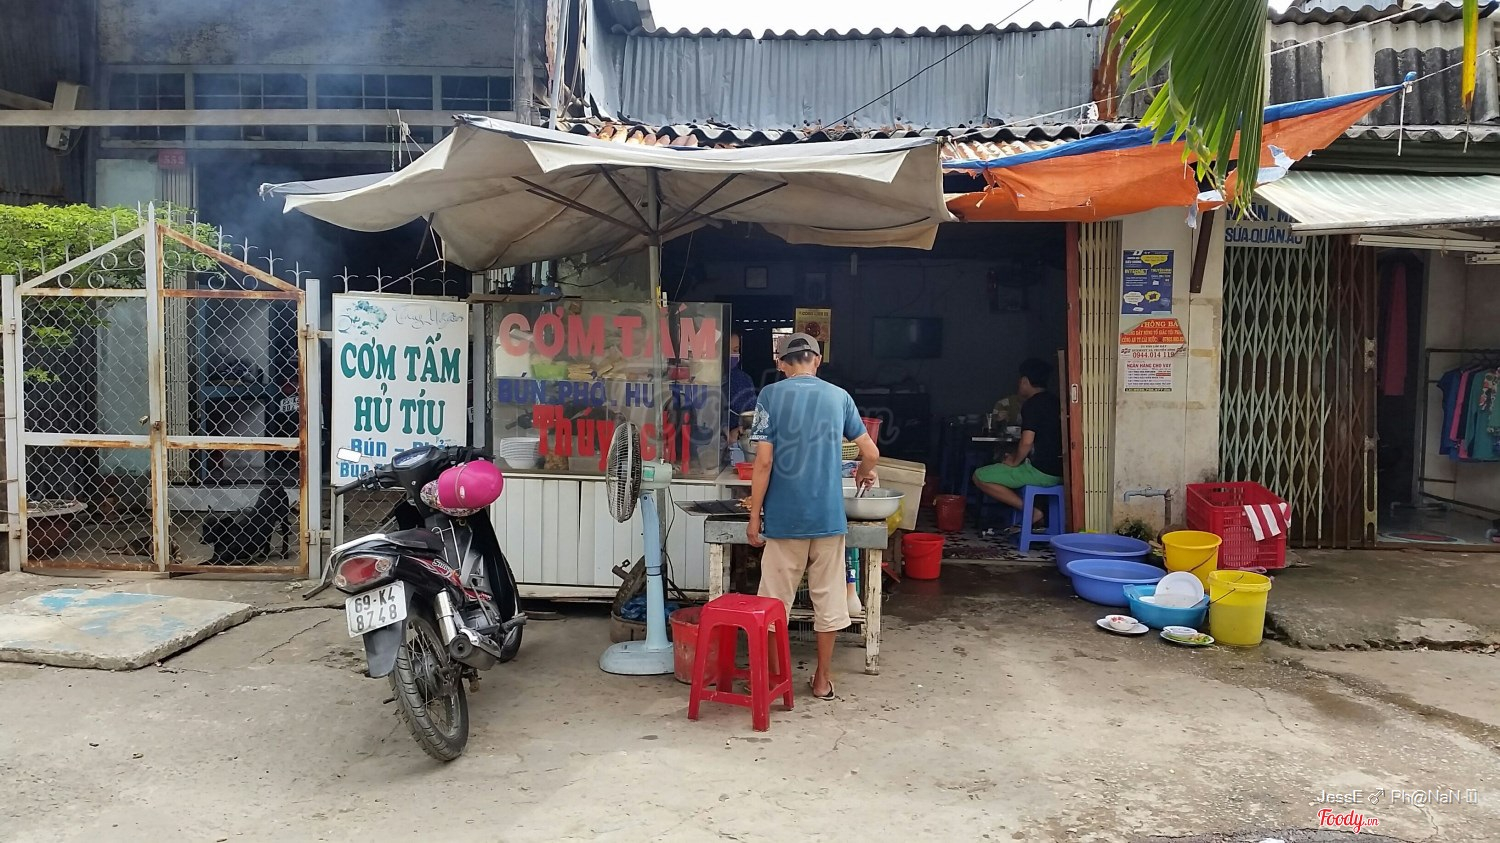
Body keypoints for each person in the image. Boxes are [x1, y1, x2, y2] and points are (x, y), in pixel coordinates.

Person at [746, 332, 877, 701]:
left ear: (781, 364)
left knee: (774, 602)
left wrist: (754, 517)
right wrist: (864, 471)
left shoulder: (770, 395)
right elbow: (870, 452)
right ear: (817, 360)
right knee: (829, 600)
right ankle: (821, 680)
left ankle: (775, 679)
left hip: (784, 518)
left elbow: (764, 462)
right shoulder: (840, 397)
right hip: (827, 517)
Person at [972, 358, 1064, 528]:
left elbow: (1027, 442)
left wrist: (1014, 461)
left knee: (979, 476)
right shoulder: (1056, 401)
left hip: (1041, 472)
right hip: (1060, 470)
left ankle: (1031, 511)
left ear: (1025, 381)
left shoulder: (1032, 404)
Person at [724, 331, 759, 462]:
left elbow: (753, 417)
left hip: (734, 450)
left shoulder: (743, 380)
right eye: (727, 350)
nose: (732, 354)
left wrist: (737, 432)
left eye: (735, 350)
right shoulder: (700, 379)